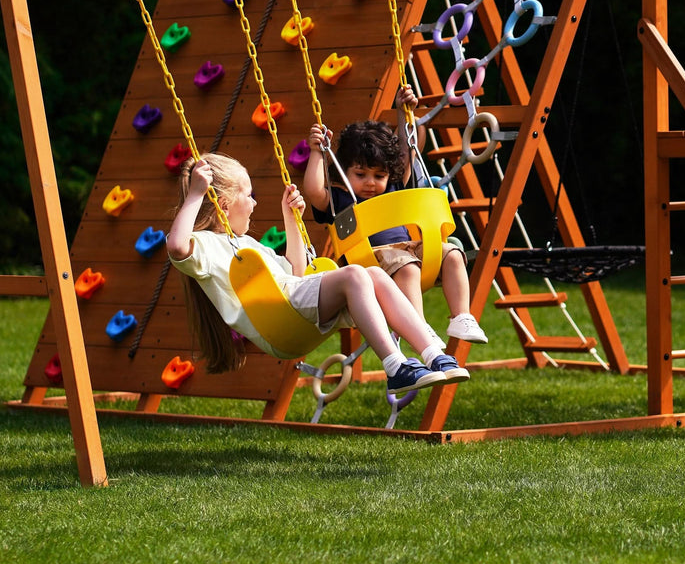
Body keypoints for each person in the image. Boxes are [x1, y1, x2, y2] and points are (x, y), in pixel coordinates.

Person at [166, 152, 468, 395]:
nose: (255, 202)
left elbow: (296, 273)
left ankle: (433, 354)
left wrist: (290, 218)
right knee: (355, 275)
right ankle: (395, 367)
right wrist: (196, 195)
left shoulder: (246, 245)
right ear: (224, 204)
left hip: (292, 307)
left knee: (374, 275)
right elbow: (177, 247)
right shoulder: (205, 246)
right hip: (278, 320)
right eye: (249, 195)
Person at [303, 87, 488, 347]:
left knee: (454, 253)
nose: (370, 183)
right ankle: (419, 328)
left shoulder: (393, 186)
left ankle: (461, 316)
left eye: (379, 176)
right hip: (371, 260)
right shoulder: (339, 197)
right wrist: (315, 152)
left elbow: (407, 149)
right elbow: (313, 190)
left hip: (409, 250)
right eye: (361, 174)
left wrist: (404, 113)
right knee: (407, 265)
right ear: (345, 171)